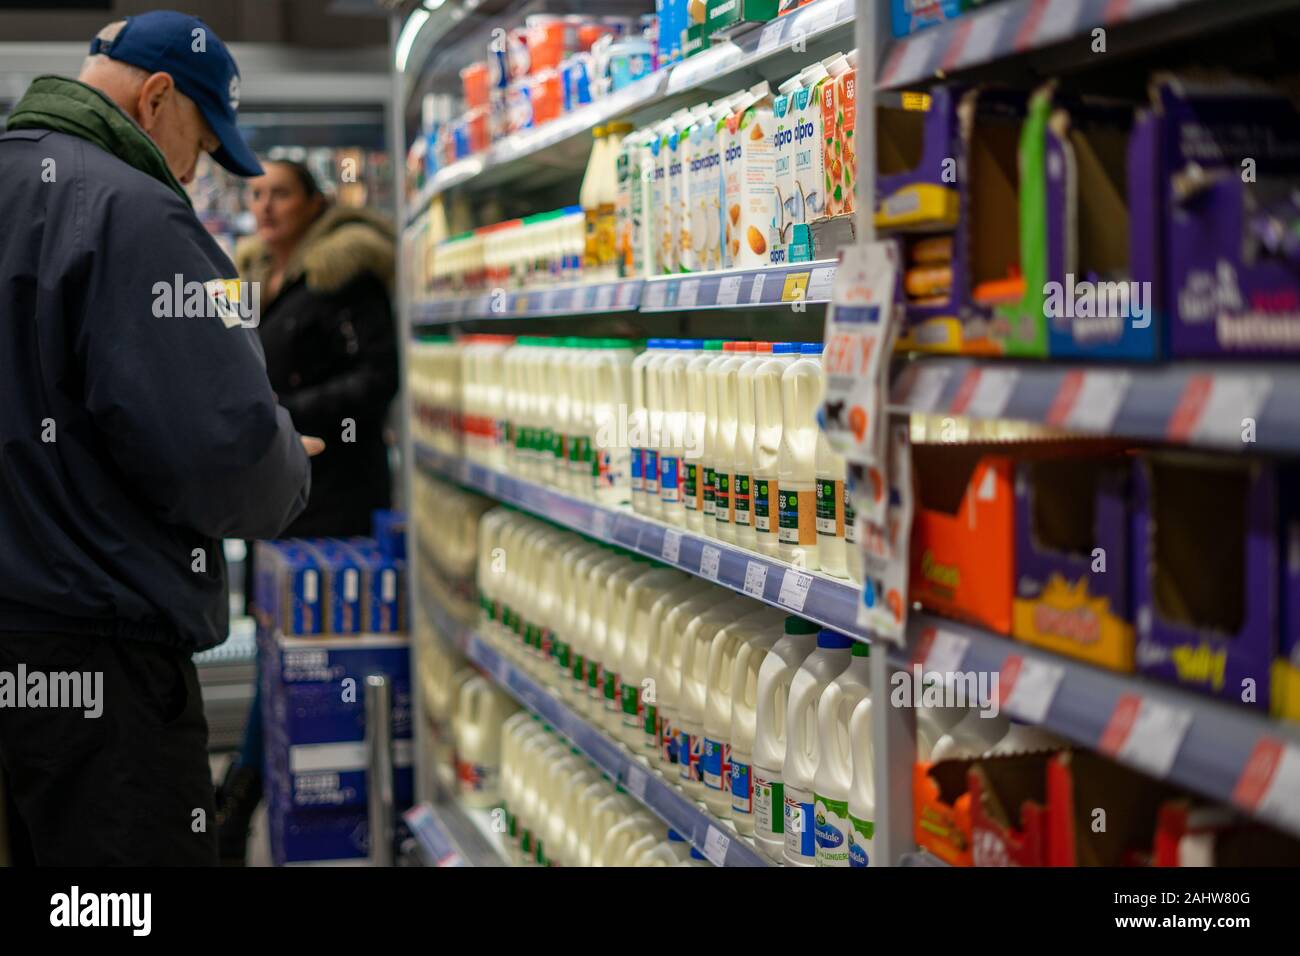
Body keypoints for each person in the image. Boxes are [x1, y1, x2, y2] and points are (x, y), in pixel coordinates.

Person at [0, 12, 317, 865]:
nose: (191, 169)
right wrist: (286, 457)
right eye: (202, 144)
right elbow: (226, 455)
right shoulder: (136, 216)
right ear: (158, 97)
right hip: (104, 679)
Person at [214, 159, 399, 863]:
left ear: (315, 202)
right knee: (270, 638)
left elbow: (378, 377)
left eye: (280, 193)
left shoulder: (342, 274)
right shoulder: (256, 277)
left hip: (336, 495)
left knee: (301, 647)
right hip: (274, 492)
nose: (265, 205)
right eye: (256, 194)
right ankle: (252, 789)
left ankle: (243, 792)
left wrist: (287, 414)